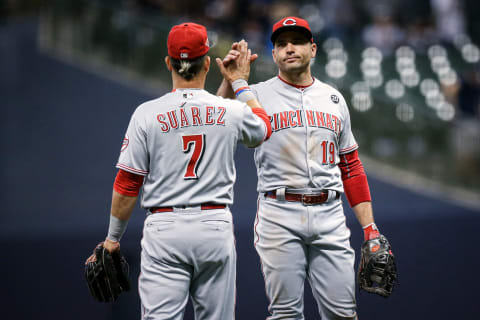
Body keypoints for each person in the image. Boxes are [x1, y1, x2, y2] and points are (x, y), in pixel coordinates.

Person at [85, 22, 272, 319]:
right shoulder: (230, 111)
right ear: (208, 63)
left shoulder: (147, 113)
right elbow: (263, 128)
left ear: (168, 62)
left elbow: (128, 183)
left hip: (165, 227)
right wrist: (239, 82)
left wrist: (112, 239)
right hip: (214, 226)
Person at [218, 16, 392, 319]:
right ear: (273, 54)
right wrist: (232, 81)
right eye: (281, 44)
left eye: (297, 42)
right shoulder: (254, 94)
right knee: (286, 314)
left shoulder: (334, 98)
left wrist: (370, 228)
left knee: (343, 314)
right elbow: (213, 125)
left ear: (313, 49)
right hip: (279, 213)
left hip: (330, 215)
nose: (289, 48)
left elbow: (350, 166)